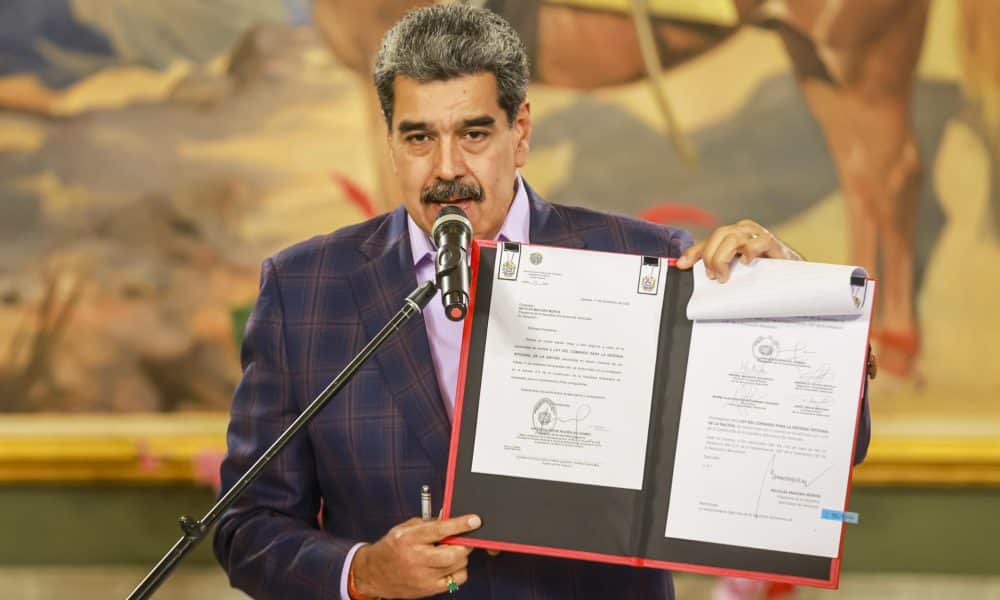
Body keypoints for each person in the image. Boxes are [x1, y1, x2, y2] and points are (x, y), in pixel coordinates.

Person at [213, 5, 871, 599]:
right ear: (390, 141)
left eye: (474, 134)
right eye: (418, 138)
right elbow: (246, 526)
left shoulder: (644, 259)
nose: (446, 169)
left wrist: (804, 326)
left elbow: (826, 446)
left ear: (519, 132)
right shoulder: (304, 290)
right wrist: (362, 571)